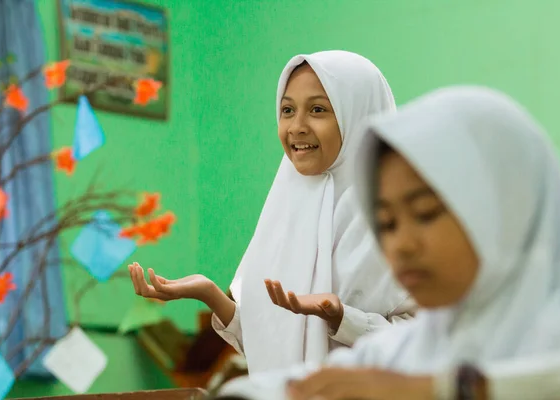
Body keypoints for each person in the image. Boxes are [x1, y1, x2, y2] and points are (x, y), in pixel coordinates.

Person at [217, 86, 560, 399]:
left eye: (426, 213)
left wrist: (443, 390)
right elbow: (306, 386)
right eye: (386, 224)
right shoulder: (409, 348)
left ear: (508, 208)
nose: (400, 246)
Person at [128, 50, 413, 375]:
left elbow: (425, 346)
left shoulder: (398, 219)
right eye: (287, 110)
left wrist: (339, 316)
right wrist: (209, 294)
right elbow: (267, 344)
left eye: (318, 109)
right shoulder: (287, 207)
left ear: (359, 114)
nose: (296, 127)